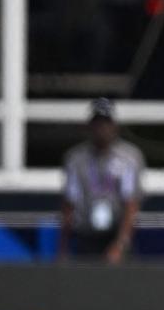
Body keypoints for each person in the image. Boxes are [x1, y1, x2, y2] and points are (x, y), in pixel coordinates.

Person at [58, 98, 146, 263]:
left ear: (115, 125)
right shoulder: (76, 159)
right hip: (87, 235)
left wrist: (120, 244)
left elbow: (131, 203)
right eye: (97, 123)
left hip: (115, 233)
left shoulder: (129, 157)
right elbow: (69, 203)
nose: (102, 129)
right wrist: (63, 248)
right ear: (89, 126)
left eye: (106, 123)